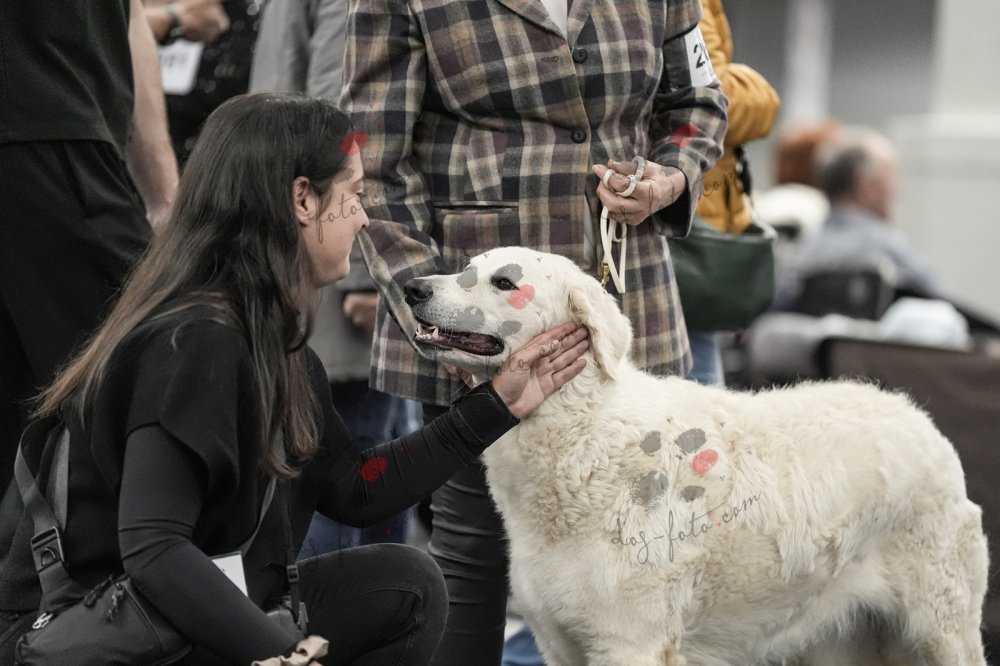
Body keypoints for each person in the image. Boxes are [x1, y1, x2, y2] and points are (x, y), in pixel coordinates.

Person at [0, 94, 590, 665]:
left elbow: (356, 488)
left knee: (405, 583)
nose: (363, 217)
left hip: (175, 616)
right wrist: (287, 655)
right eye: (353, 195)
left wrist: (497, 404)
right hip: (93, 634)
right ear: (302, 199)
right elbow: (155, 550)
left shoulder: (267, 338)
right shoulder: (195, 341)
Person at [343, 0, 728, 661]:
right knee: (474, 550)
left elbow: (698, 105)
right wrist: (437, 322)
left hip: (627, 315)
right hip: (475, 326)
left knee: (651, 550)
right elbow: (371, 166)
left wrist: (670, 176)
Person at [250, 0, 418, 555]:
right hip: (339, 271)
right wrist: (366, 275)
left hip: (305, 254)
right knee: (351, 471)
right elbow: (339, 114)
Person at [0, 0, 178, 498]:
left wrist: (165, 198)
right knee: (156, 379)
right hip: (47, 126)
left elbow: (131, 15)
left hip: (66, 128)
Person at [684, 0, 780, 386]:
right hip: (686, 234)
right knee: (699, 398)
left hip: (690, 226)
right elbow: (710, 99)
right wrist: (761, 93)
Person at [774, 125, 945, 311]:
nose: (899, 191)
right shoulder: (890, 249)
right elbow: (940, 302)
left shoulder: (799, 252)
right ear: (865, 186)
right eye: (891, 176)